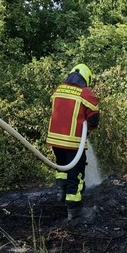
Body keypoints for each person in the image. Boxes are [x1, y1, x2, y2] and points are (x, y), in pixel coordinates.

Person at [46, 63, 100, 220]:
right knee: (76, 175)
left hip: (55, 140)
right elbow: (94, 119)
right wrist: (87, 130)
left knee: (62, 167)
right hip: (73, 142)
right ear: (86, 78)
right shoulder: (86, 94)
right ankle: (75, 210)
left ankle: (60, 193)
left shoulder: (58, 89)